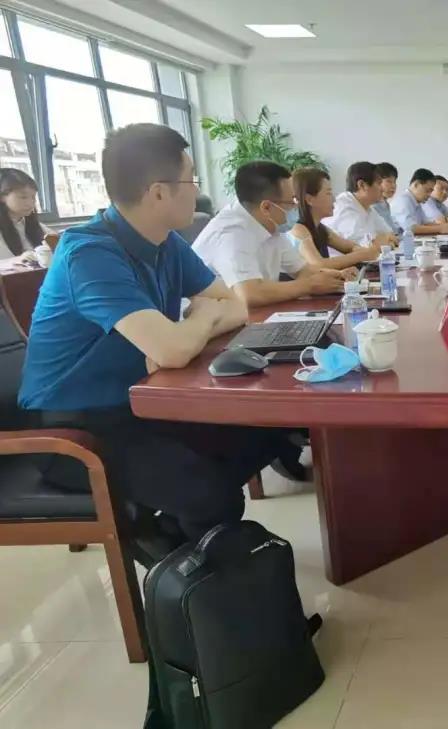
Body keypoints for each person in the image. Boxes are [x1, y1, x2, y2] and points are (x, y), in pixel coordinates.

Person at [18, 123, 304, 543]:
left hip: (144, 399)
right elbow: (173, 350)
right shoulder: (90, 253)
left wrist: (186, 330)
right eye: (191, 180)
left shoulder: (165, 242)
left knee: (265, 432)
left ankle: (183, 535)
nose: (197, 190)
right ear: (157, 193)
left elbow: (235, 307)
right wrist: (194, 323)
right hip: (77, 430)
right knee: (209, 492)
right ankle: (183, 553)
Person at [193, 161, 350, 308]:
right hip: (214, 320)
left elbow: (302, 270)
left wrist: (339, 276)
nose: (296, 207)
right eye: (291, 202)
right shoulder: (230, 233)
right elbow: (249, 293)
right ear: (266, 207)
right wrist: (309, 286)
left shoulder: (270, 225)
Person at [290, 167, 381, 271]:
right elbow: (318, 264)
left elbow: (349, 247)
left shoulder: (320, 228)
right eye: (328, 193)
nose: (334, 199)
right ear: (309, 199)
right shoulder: (298, 229)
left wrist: (363, 251)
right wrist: (361, 255)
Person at [321, 161, 399, 252]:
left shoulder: (367, 207)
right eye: (379, 183)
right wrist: (381, 241)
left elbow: (391, 235)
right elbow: (366, 247)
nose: (382, 188)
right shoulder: (344, 207)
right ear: (362, 185)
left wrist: (382, 240)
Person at [0, 168, 56, 258]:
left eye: (33, 197)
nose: (30, 203)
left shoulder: (34, 225)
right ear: (2, 197)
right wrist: (19, 259)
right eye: (23, 197)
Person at [390, 168, 448, 236]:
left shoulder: (416, 202)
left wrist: (445, 226)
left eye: (431, 191)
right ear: (416, 184)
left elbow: (425, 223)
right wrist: (439, 228)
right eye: (427, 191)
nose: (429, 195)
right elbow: (410, 228)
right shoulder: (403, 201)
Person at [372, 162, 403, 236]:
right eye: (389, 181)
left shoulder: (385, 204)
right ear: (377, 182)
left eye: (394, 182)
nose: (393, 186)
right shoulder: (372, 206)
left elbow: (393, 229)